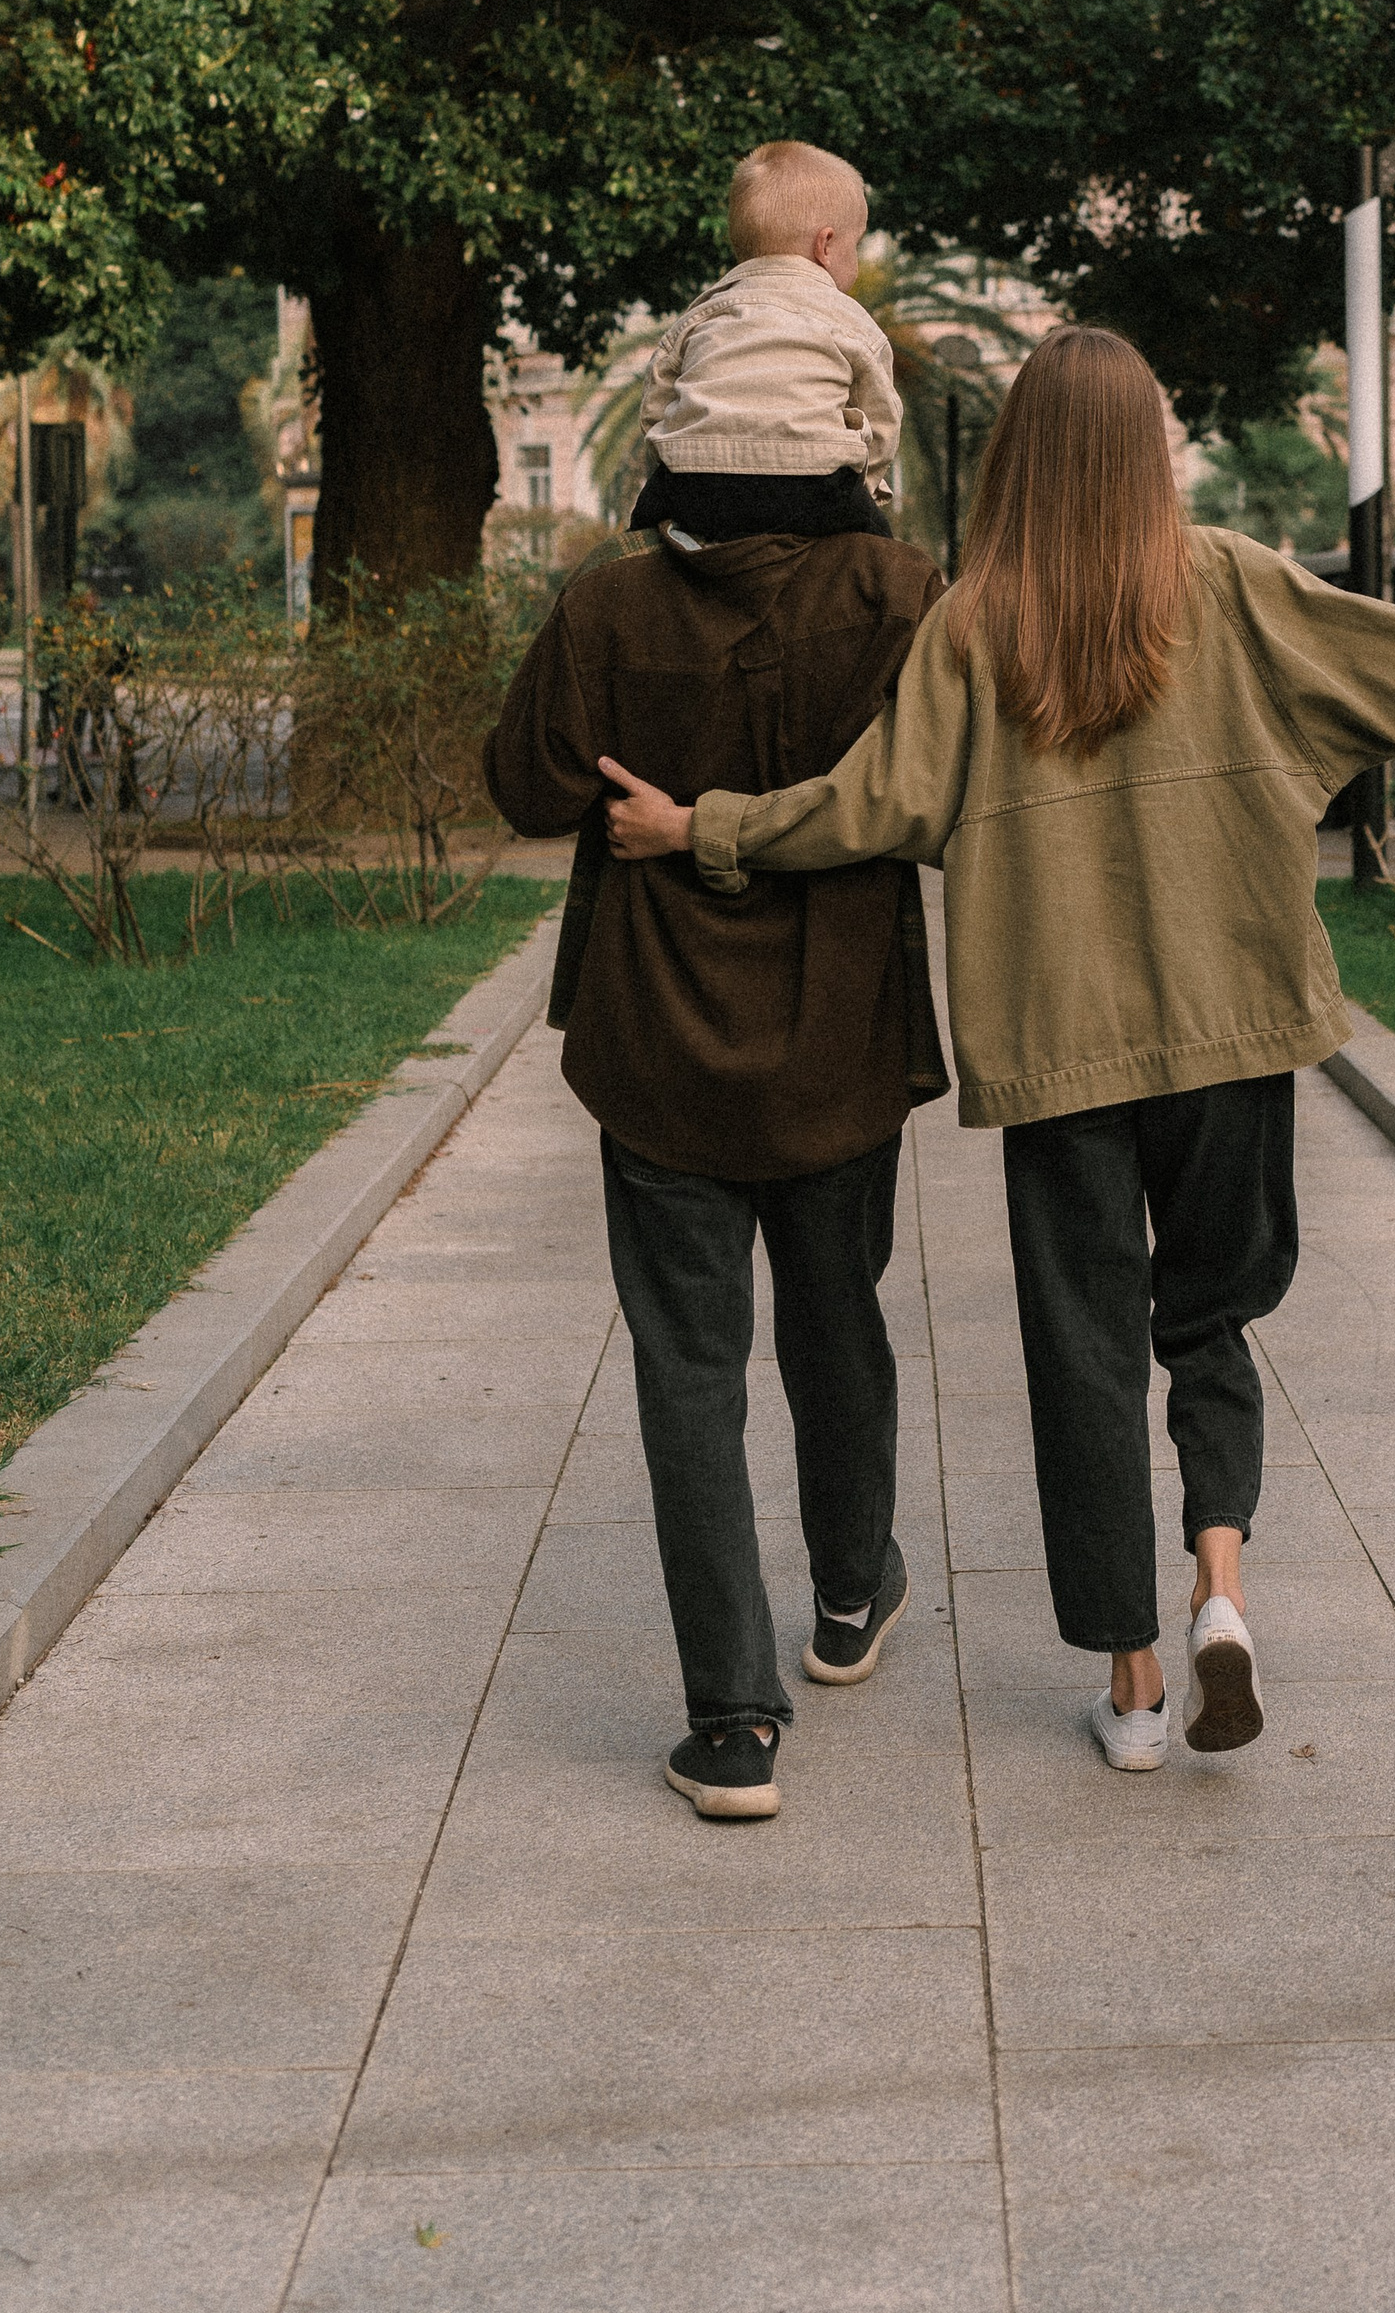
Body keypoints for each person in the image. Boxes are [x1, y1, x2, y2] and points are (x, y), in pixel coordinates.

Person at [600, 328, 1395, 1774]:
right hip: (1230, 1033)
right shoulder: (1230, 584)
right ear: (1148, 448)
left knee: (1084, 1355)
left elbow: (868, 805)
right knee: (1210, 1321)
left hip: (1060, 1056)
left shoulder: (972, 627)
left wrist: (699, 826)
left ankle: (1135, 1688)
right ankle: (1222, 1590)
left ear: (1019, 457)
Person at [483, 139, 947, 1829]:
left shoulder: (607, 609)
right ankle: (851, 1591)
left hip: (654, 1041)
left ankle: (733, 1724)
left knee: (688, 1364)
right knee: (839, 1319)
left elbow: (527, 786)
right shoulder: (902, 597)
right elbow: (943, 803)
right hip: (841, 1035)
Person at [632, 138, 902, 540]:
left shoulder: (703, 313)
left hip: (697, 484)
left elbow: (656, 402)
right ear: (826, 245)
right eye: (856, 245)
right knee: (881, 550)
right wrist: (864, 486)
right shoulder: (848, 320)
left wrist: (676, 457)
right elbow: (882, 420)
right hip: (813, 484)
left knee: (640, 535)